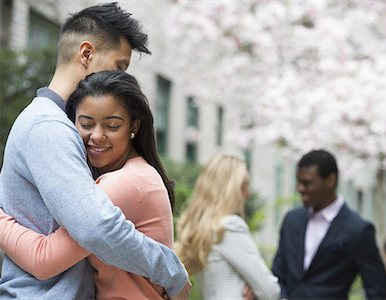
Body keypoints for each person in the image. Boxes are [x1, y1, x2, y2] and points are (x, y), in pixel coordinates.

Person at [0, 3, 189, 299]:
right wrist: (172, 271)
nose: (121, 79)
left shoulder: (66, 127)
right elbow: (98, 228)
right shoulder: (48, 127)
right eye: (119, 66)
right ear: (86, 54)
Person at [272, 149, 386, 299]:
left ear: (330, 181)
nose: (300, 189)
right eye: (299, 182)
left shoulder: (358, 230)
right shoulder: (291, 220)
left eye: (307, 183)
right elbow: (277, 275)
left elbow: (378, 293)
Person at [175, 154, 280, 300]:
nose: (248, 193)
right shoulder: (229, 227)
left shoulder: (206, 229)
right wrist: (257, 292)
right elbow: (271, 291)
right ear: (231, 188)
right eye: (245, 185)